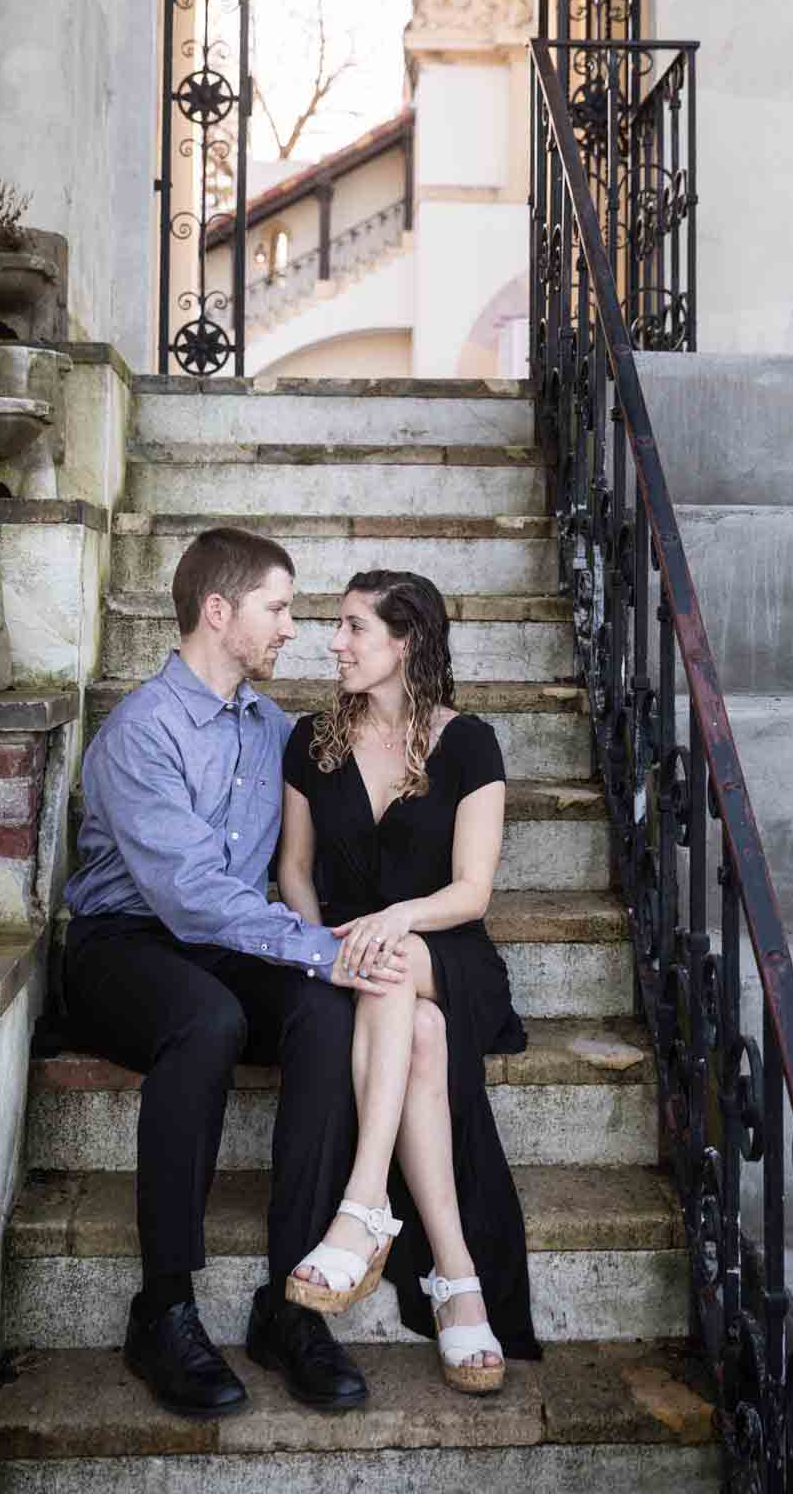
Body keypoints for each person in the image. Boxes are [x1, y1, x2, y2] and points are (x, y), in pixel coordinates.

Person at [61, 527, 407, 1418]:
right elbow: (188, 899)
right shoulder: (140, 732)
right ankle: (163, 1306)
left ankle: (289, 1308)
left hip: (226, 945)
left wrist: (367, 943)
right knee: (208, 1020)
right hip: (122, 945)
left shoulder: (275, 730)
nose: (293, 629)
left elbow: (366, 786)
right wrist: (323, 946)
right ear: (219, 613)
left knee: (326, 1014)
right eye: (279, 609)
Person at [277, 569, 540, 1393]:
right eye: (336, 626)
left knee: (395, 970)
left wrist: (395, 920)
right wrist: (327, 942)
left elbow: (472, 891)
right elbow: (292, 870)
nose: (335, 643)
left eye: (354, 628)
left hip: (446, 948)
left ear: (406, 643)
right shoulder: (311, 739)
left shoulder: (469, 743)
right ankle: (458, 1281)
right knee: (414, 1025)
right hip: (352, 949)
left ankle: (361, 1206)